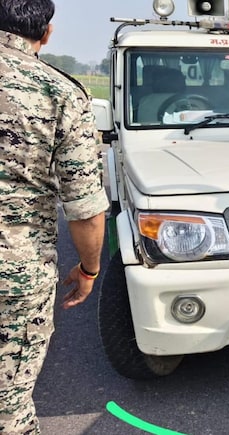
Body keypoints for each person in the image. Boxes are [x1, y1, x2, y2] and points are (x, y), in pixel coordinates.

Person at [0, 1, 109, 433]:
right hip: (14, 274)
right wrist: (89, 269)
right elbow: (85, 209)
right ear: (46, 33)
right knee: (8, 408)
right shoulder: (58, 93)